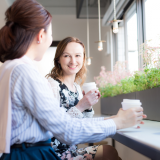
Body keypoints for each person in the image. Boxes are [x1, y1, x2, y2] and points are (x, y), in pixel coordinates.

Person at [0, 0, 146, 160]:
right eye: (51, 34)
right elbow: (68, 130)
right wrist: (118, 123)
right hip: (31, 155)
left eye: (78, 56)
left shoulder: (11, 68)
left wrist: (116, 119)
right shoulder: (25, 72)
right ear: (41, 35)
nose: (73, 60)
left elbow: (68, 123)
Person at [46, 37, 101, 159]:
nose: (73, 61)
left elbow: (83, 123)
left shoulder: (76, 87)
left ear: (83, 59)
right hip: (55, 153)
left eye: (77, 55)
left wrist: (88, 104)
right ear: (58, 59)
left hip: (71, 150)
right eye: (66, 56)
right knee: (108, 152)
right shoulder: (52, 85)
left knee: (110, 152)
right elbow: (53, 126)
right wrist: (81, 106)